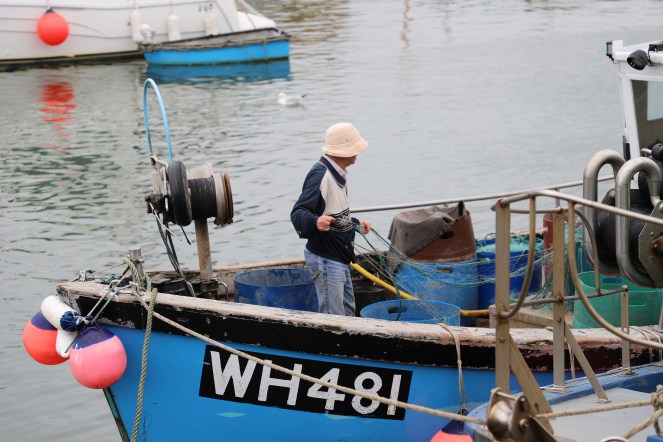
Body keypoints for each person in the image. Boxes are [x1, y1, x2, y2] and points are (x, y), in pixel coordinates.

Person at [291, 122, 372, 316]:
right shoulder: (320, 175)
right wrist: (314, 222)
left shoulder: (339, 173)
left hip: (339, 257)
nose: (357, 153)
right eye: (354, 148)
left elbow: (334, 213)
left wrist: (355, 225)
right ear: (343, 151)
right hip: (325, 259)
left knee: (348, 312)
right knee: (334, 317)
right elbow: (298, 212)